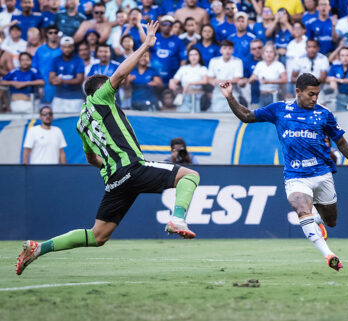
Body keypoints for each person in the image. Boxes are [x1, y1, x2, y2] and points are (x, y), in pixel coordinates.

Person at [16, 21, 201, 276]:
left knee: (98, 235)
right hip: (131, 167)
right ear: (100, 90)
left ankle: (39, 248)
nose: (114, 90)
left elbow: (91, 158)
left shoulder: (81, 123)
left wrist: (112, 166)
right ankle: (177, 218)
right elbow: (120, 74)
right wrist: (145, 45)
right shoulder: (100, 97)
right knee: (190, 175)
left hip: (114, 179)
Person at [220, 72, 348, 271]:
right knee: (302, 209)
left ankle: (318, 222)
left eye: (317, 94)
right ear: (298, 92)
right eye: (311, 94)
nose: (314, 98)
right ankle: (329, 255)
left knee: (331, 221)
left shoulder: (324, 114)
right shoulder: (279, 110)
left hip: (322, 174)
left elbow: (341, 143)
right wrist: (230, 97)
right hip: (295, 176)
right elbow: (246, 116)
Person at [49, 37, 86, 113]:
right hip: (59, 97)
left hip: (76, 98)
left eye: (69, 47)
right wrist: (54, 81)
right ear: (61, 47)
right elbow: (51, 79)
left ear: (73, 47)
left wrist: (62, 81)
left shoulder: (78, 60)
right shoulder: (55, 60)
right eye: (64, 47)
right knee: (57, 121)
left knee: (75, 122)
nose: (67, 49)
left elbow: (80, 80)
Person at [207, 39, 244, 112]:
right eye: (224, 48)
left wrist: (219, 81)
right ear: (220, 50)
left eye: (229, 48)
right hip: (217, 94)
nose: (227, 51)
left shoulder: (238, 61)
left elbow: (237, 79)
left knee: (233, 118)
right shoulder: (214, 61)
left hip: (233, 95)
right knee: (217, 116)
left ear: (233, 50)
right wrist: (214, 81)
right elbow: (210, 79)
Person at [150, 15, 187, 84]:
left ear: (172, 26)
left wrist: (178, 77)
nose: (167, 26)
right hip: (155, 77)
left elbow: (183, 60)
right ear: (160, 25)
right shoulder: (154, 38)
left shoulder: (178, 41)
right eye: (164, 24)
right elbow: (146, 53)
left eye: (170, 24)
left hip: (172, 77)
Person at [170, 47, 208, 112]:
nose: (193, 57)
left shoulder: (203, 68)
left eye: (196, 54)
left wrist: (190, 83)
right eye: (191, 55)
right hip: (184, 96)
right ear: (188, 57)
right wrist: (172, 82)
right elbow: (175, 80)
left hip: (198, 97)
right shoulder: (183, 68)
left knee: (197, 118)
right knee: (183, 117)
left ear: (199, 56)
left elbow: (205, 81)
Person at [248, 42, 287, 107]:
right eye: (267, 52)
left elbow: (285, 79)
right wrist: (253, 79)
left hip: (274, 95)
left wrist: (268, 81)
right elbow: (252, 78)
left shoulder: (279, 65)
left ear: (274, 54)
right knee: (261, 116)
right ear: (263, 54)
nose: (269, 54)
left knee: (273, 116)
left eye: (271, 52)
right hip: (262, 95)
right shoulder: (260, 65)